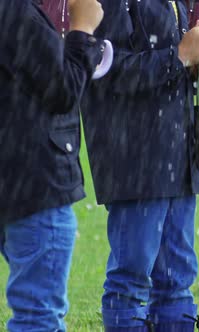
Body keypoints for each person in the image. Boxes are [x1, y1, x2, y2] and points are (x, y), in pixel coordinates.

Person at [80, 1, 199, 331]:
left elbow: (176, 67)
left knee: (176, 281)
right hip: (135, 163)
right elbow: (106, 71)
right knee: (130, 280)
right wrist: (180, 56)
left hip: (178, 159)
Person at [0, 0, 104, 330]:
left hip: (15, 184)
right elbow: (62, 89)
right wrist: (83, 30)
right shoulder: (14, 11)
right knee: (38, 316)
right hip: (36, 186)